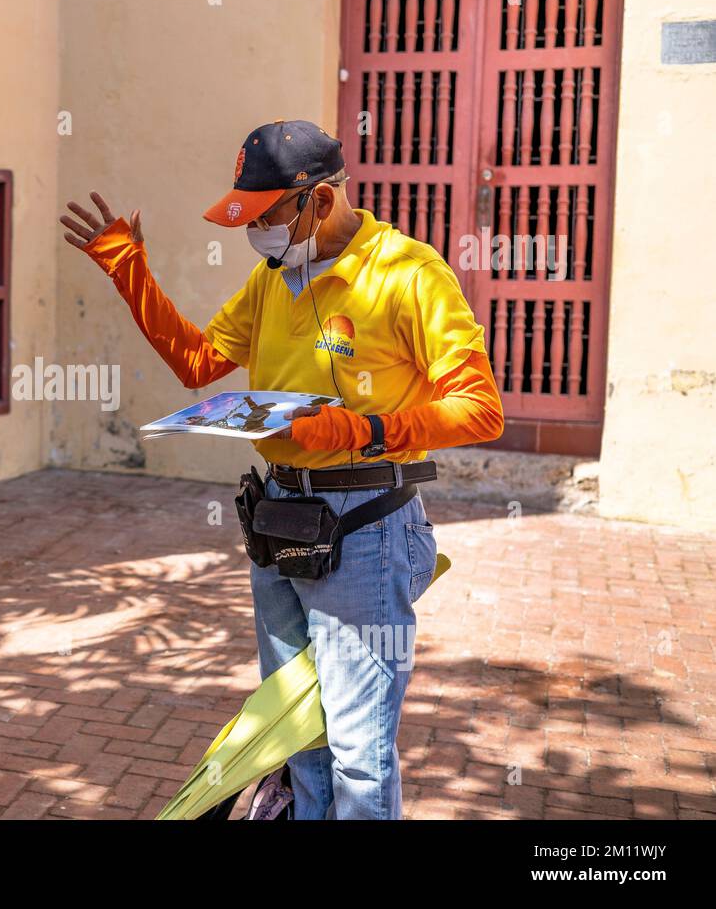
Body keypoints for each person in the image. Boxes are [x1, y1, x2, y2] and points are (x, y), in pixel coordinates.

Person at [62, 119, 504, 819]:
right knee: (297, 735)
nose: (256, 234)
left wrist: (364, 430)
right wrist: (129, 271)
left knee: (359, 749)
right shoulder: (275, 278)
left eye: (267, 216)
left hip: (364, 531)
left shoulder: (410, 274)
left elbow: (479, 408)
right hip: (279, 522)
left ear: (320, 202)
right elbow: (198, 363)